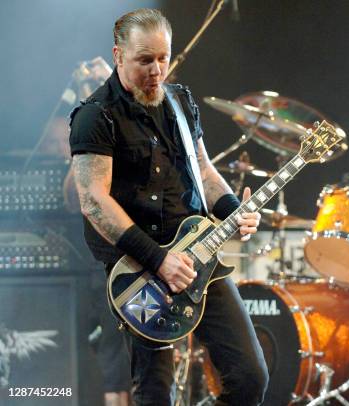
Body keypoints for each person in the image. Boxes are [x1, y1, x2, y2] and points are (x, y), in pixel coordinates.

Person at [69, 8, 268, 406]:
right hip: (141, 271)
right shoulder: (96, 115)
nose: (157, 70)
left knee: (249, 377)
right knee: (156, 391)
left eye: (163, 58)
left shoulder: (180, 102)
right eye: (145, 60)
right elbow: (93, 200)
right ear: (118, 55)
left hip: (198, 258)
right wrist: (158, 260)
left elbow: (205, 171)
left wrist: (232, 208)